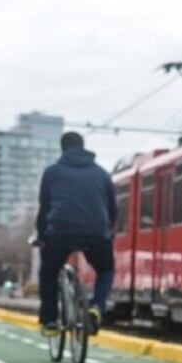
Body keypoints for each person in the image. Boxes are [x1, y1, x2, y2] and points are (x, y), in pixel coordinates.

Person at [35, 131, 117, 337]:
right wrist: (108, 232)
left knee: (48, 272)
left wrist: (41, 236)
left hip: (59, 231)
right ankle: (97, 306)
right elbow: (113, 209)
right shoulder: (102, 173)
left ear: (62, 148)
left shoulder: (52, 172)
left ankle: (51, 320)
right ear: (83, 147)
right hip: (96, 232)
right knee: (106, 269)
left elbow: (44, 208)